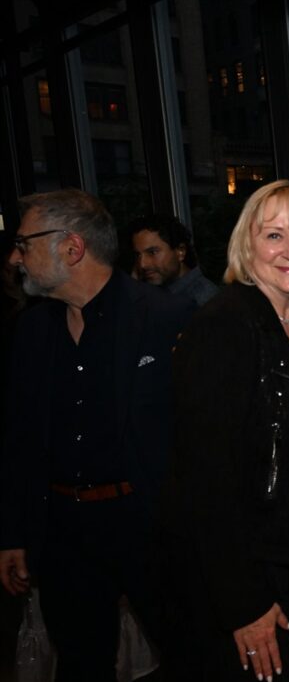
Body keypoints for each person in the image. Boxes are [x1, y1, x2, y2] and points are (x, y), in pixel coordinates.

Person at [157, 180, 289, 681]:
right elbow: (203, 482)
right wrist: (244, 604)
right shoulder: (223, 328)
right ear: (247, 245)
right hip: (249, 572)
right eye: (274, 235)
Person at [0, 188, 193, 681]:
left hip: (148, 526)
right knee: (81, 664)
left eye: (23, 244)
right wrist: (14, 534)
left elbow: (197, 437)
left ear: (72, 247)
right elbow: (21, 440)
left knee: (189, 656)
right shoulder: (31, 331)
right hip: (62, 531)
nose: (15, 258)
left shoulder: (165, 317)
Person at [129, 213, 219, 306]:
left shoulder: (203, 299)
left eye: (153, 252)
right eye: (138, 255)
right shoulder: (158, 293)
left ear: (181, 251)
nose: (142, 264)